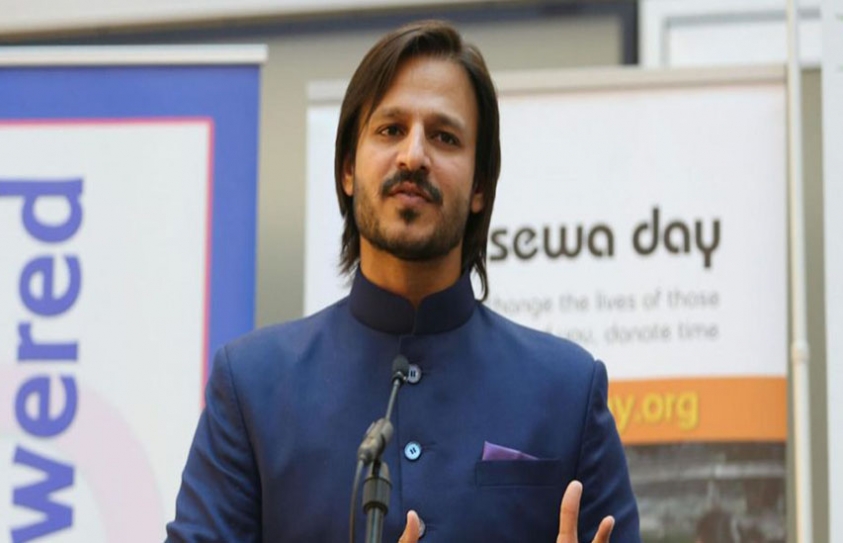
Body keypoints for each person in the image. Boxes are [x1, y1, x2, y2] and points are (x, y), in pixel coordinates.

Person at [166, 19, 639, 542]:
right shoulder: (253, 386)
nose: (414, 155)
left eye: (444, 137)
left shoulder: (567, 390)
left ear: (480, 186)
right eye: (391, 129)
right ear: (348, 169)